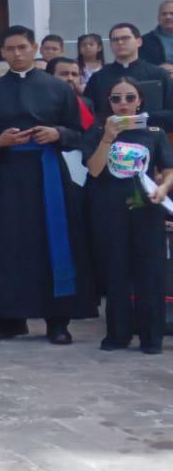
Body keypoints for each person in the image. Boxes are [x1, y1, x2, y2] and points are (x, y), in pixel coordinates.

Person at [0, 25, 95, 343]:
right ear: (2, 52)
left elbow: (79, 134)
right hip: (7, 178)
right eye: (10, 49)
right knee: (7, 246)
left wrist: (57, 134)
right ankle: (10, 319)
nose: (17, 53)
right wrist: (1, 140)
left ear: (34, 47)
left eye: (23, 47)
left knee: (53, 244)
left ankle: (58, 321)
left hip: (48, 174)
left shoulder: (58, 88)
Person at [83, 78, 173, 353]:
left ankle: (151, 337)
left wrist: (163, 188)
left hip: (145, 206)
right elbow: (95, 169)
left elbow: (168, 168)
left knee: (150, 274)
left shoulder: (154, 132)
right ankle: (117, 334)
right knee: (116, 273)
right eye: (116, 98)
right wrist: (108, 136)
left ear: (140, 101)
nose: (123, 104)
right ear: (108, 102)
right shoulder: (97, 131)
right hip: (110, 209)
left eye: (129, 98)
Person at [82, 23, 173, 128]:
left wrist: (145, 117)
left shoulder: (159, 74)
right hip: (108, 136)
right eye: (115, 40)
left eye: (125, 38)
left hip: (151, 135)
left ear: (139, 42)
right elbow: (87, 112)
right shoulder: (98, 77)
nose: (120, 42)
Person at [48, 56, 95, 129]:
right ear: (49, 76)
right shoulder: (40, 102)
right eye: (64, 74)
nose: (70, 78)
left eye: (74, 74)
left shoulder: (87, 103)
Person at [138, 0, 173, 66]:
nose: (168, 17)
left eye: (172, 13)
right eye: (164, 14)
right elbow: (140, 66)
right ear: (158, 18)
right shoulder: (144, 41)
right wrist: (158, 70)